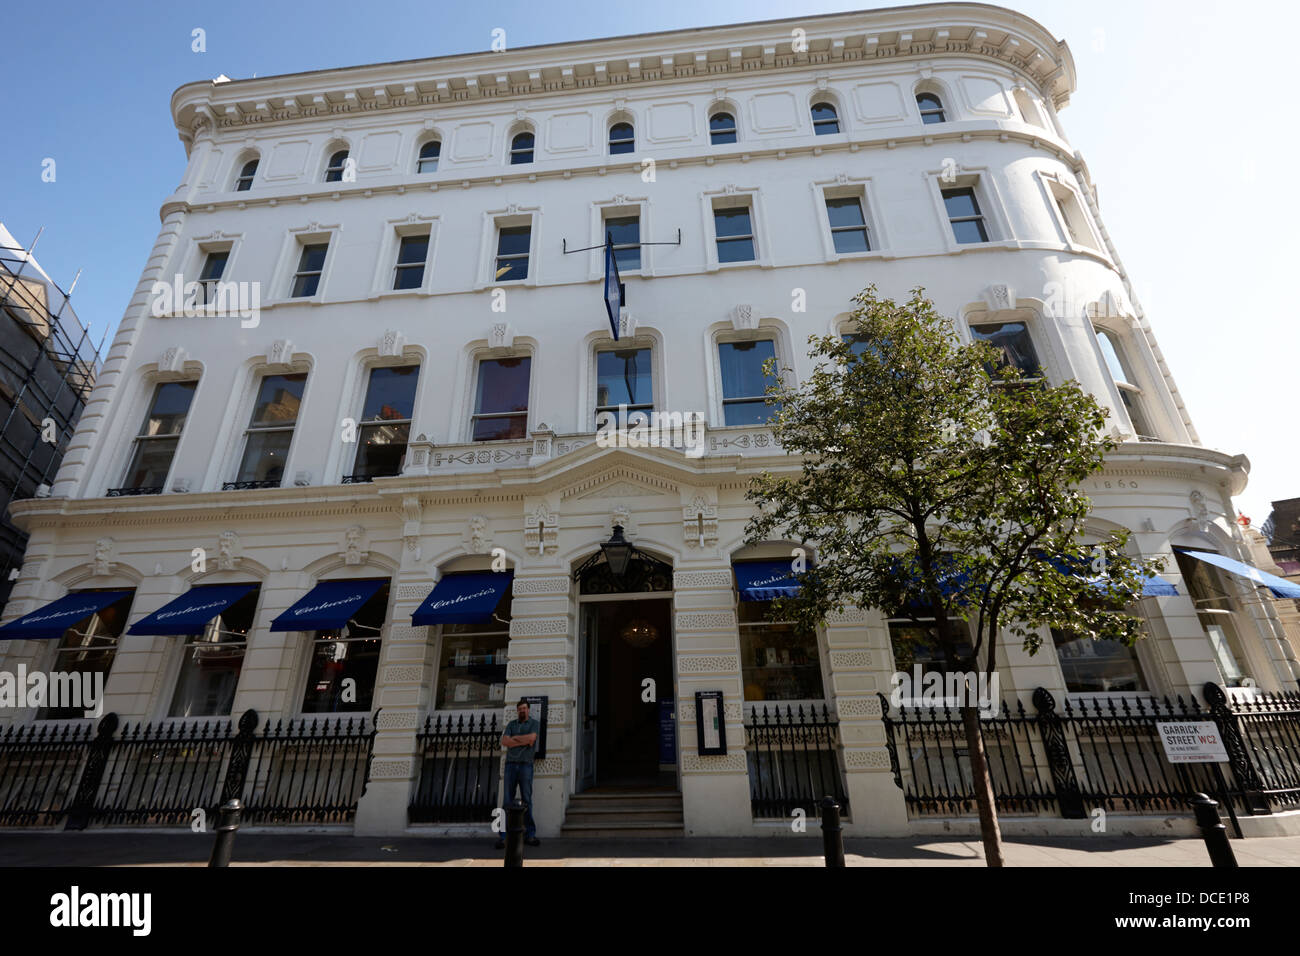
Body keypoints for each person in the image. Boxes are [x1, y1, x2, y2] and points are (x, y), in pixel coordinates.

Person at [496, 699, 541, 848]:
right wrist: (523, 740)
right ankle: (503, 836)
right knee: (506, 800)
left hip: (526, 766)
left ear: (528, 710)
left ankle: (530, 834)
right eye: (520, 709)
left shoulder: (534, 723)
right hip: (510, 765)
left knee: (527, 800)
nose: (522, 711)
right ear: (517, 711)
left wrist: (515, 739)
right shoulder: (511, 725)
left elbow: (532, 739)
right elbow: (505, 741)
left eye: (524, 708)